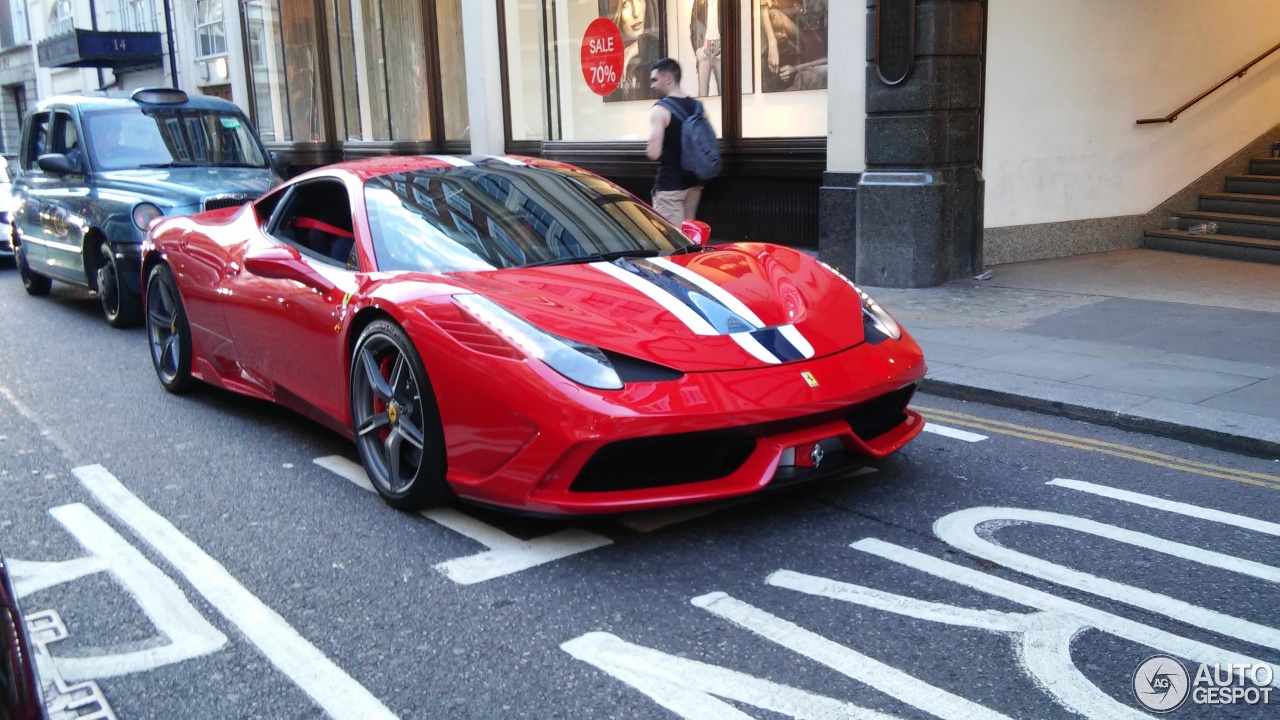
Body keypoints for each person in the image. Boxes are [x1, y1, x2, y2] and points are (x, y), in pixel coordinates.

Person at [646, 58, 704, 226]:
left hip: (670, 186)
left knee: (672, 241)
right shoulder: (697, 107)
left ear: (669, 78)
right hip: (694, 183)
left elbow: (654, 153)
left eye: (655, 80)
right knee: (690, 236)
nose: (652, 85)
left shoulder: (660, 110)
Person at [604, 0, 660, 102]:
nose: (635, 13)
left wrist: (642, 45)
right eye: (626, 4)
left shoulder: (657, 51)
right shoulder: (610, 69)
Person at [690, 0, 722, 97]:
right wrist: (697, 49)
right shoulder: (699, 2)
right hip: (705, 47)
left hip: (719, 47)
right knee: (702, 93)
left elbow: (732, 26)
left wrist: (726, 48)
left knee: (725, 91)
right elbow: (693, 26)